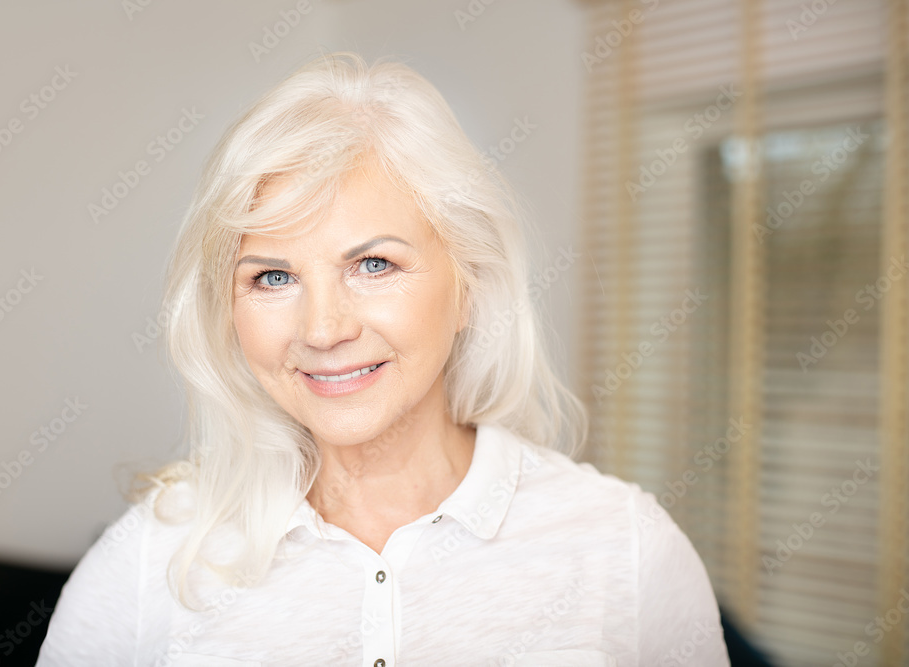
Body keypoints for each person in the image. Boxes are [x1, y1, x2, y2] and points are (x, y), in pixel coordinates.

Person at [36, 52, 730, 666]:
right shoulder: (150, 557)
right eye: (272, 276)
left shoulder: (626, 548)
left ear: (468, 288)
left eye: (374, 264)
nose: (323, 329)